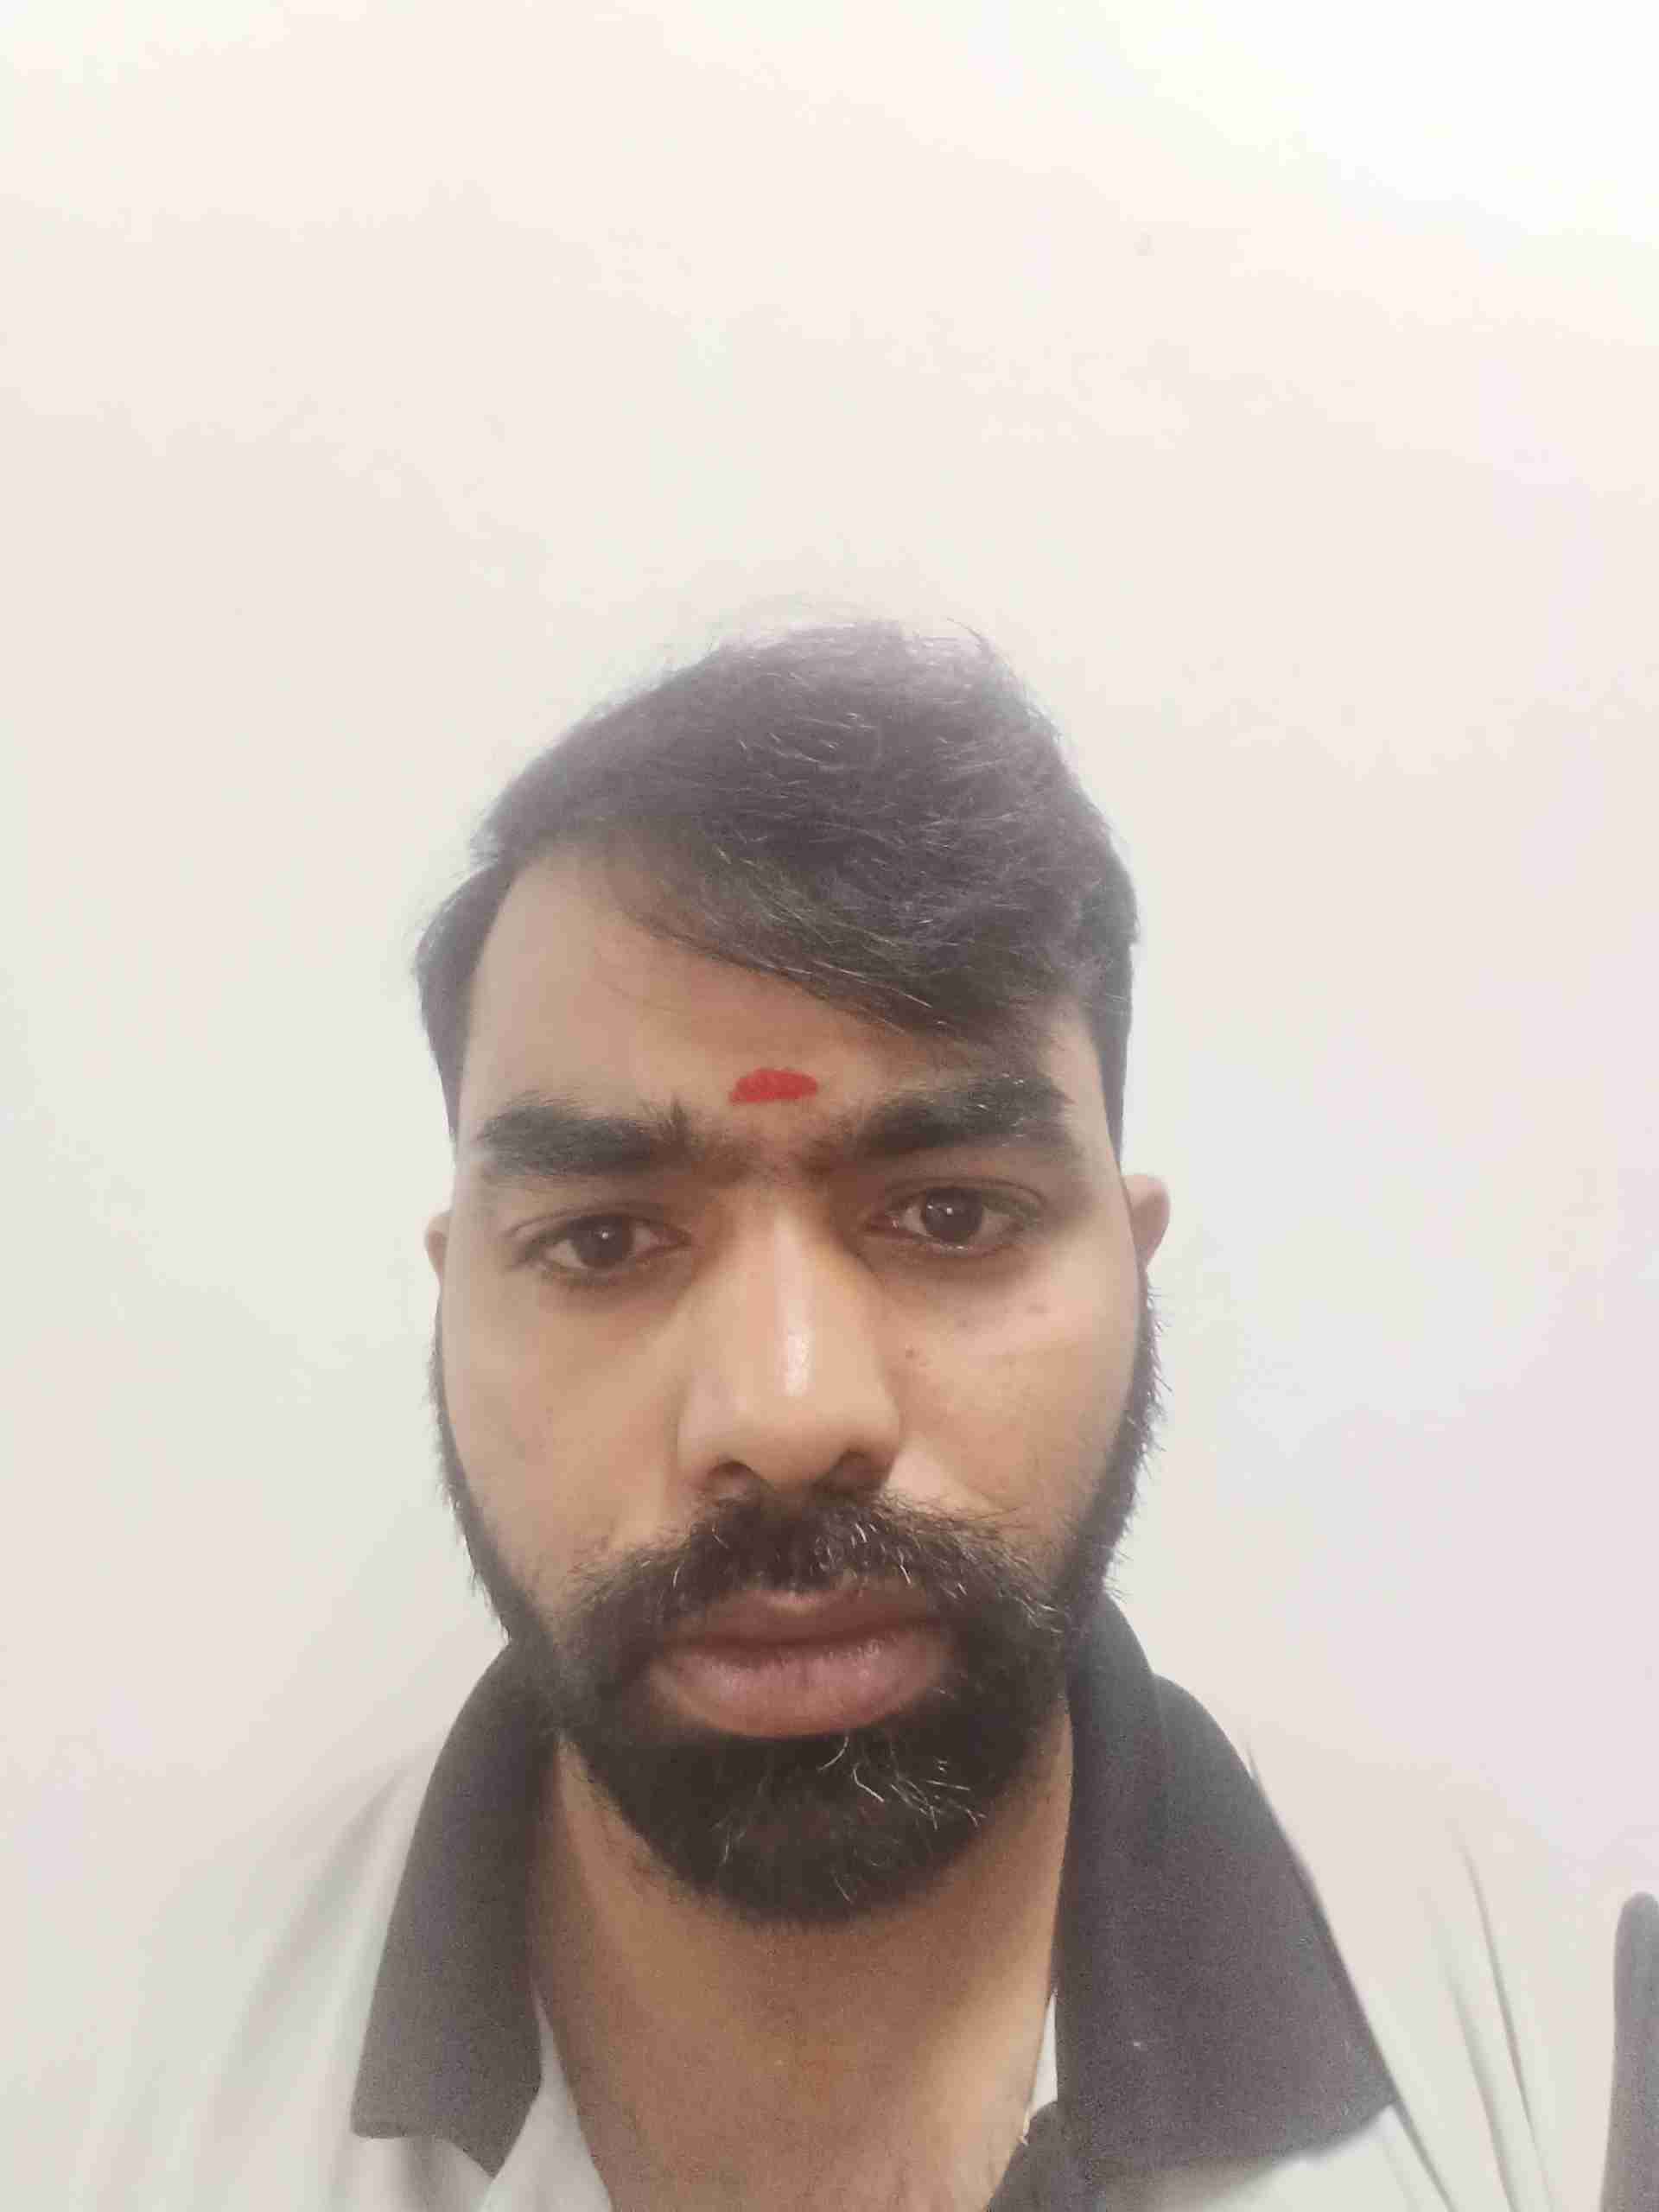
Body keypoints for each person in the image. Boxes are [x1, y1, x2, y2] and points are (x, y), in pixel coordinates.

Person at [73, 624, 1653, 2209]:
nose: (785, 1412)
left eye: (952, 1215)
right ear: (454, 1301)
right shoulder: (126, 2105)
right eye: (603, 1240)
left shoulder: (1576, 2067)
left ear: (1133, 1265)